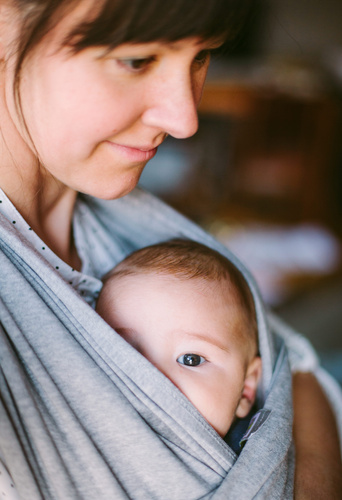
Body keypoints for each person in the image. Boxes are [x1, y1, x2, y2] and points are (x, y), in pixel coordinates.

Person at [0, 0, 340, 498]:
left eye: (203, 56)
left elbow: (296, 366)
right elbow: (292, 388)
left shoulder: (127, 220)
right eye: (137, 60)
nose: (184, 119)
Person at [96, 238, 262, 440]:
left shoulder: (261, 453)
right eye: (126, 351)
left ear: (245, 389)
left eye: (191, 359)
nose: (153, 378)